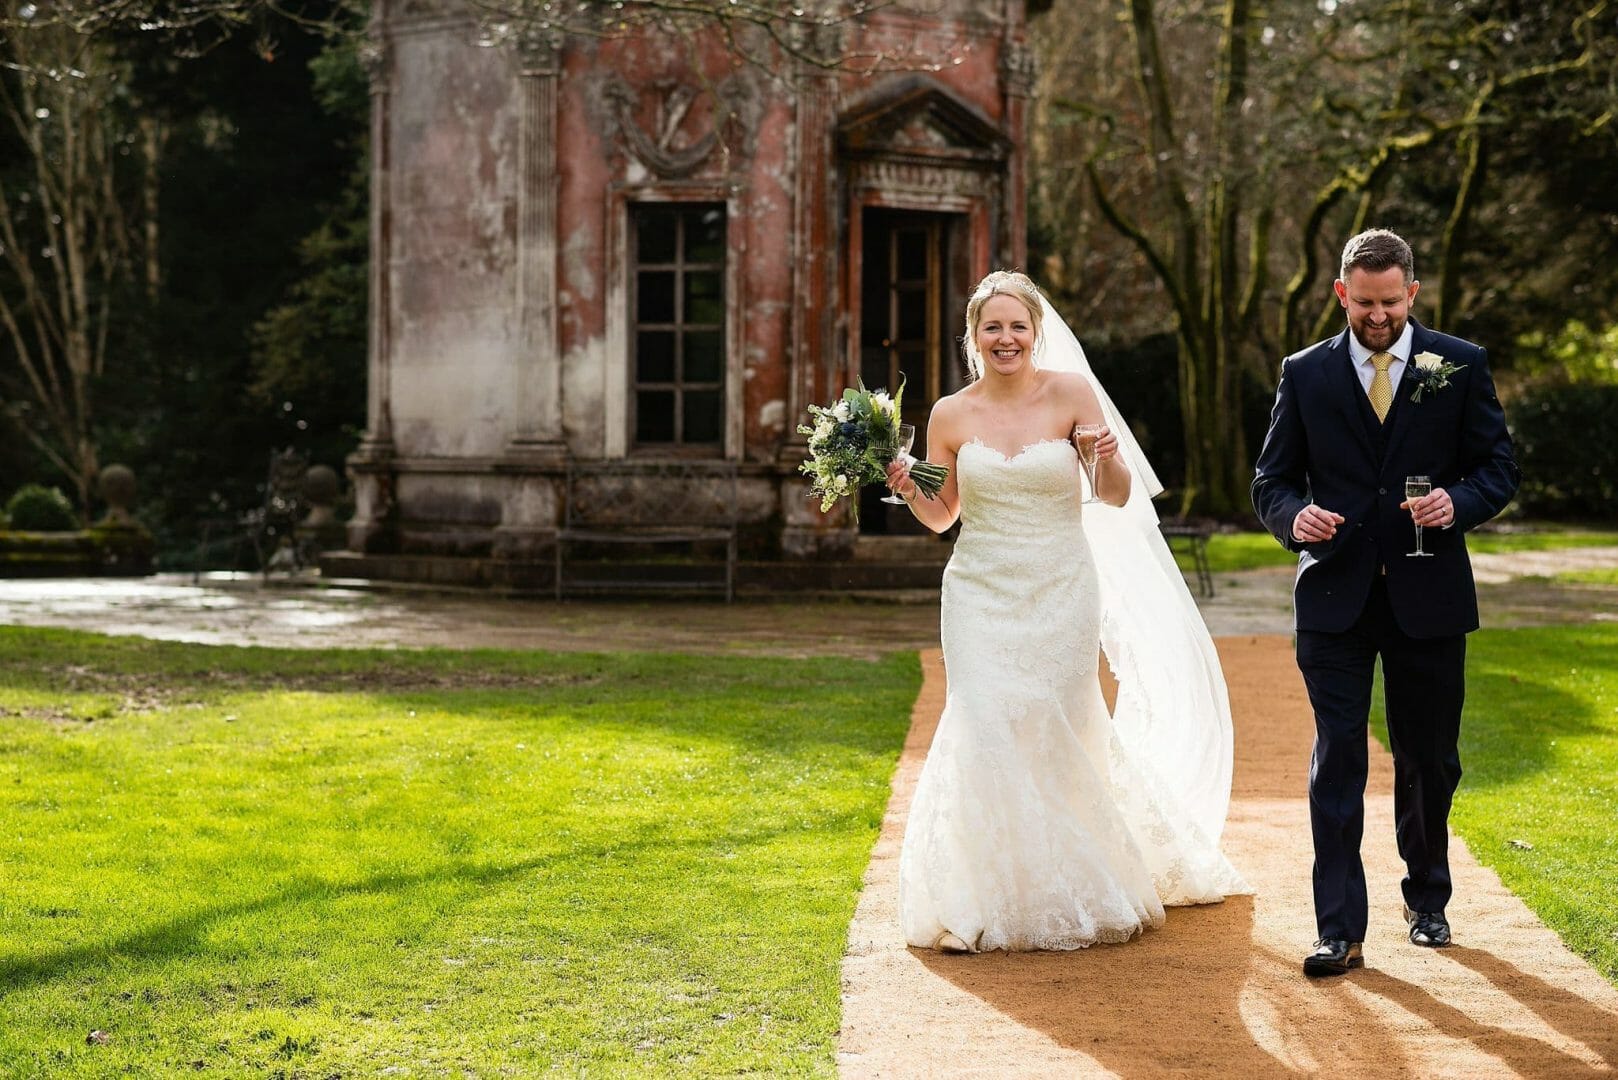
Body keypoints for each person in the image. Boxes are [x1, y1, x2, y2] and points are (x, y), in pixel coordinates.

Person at [886, 270, 1247, 953]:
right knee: (986, 718)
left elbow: (1112, 496)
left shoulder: (1072, 395)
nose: (1006, 338)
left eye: (1017, 325)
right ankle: (984, 896)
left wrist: (1108, 459)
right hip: (980, 592)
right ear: (973, 337)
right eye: (992, 326)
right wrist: (908, 487)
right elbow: (941, 516)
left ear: (1035, 332)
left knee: (1060, 724)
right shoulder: (949, 415)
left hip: (1061, 586)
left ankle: (1072, 882)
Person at [1251, 228, 1519, 977]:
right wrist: (1290, 519)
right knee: (1338, 755)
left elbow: (1498, 467)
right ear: (1342, 293)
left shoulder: (1459, 365)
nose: (1378, 315)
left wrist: (1457, 502)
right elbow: (1271, 480)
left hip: (1429, 596)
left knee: (1428, 758)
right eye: (1364, 303)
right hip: (1333, 597)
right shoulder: (1304, 373)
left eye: (1391, 302)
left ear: (1413, 293)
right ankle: (1339, 930)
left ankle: (1427, 897)